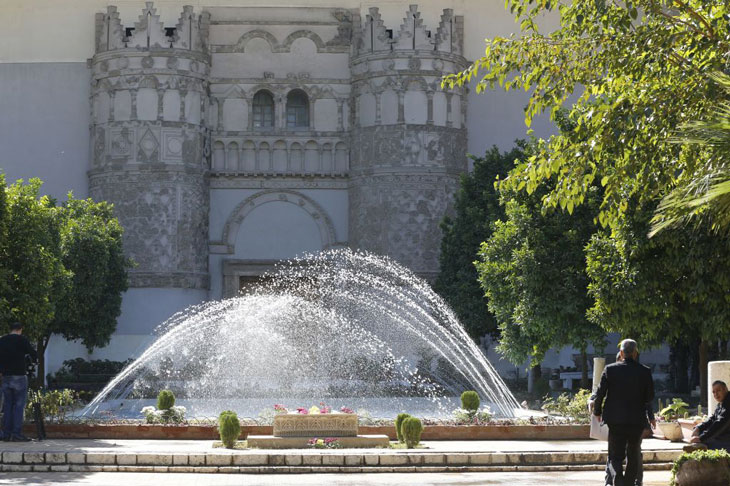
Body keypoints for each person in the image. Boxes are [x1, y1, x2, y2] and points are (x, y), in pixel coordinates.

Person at [592, 339, 654, 486]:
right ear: (635, 353)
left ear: (621, 353)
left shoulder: (610, 369)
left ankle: (618, 481)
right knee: (633, 456)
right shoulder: (645, 371)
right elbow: (649, 398)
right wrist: (650, 416)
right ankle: (628, 483)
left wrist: (597, 412)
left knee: (615, 456)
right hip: (636, 421)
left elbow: (600, 394)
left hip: (615, 421)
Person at [0, 322, 38, 441]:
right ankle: (16, 433)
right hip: (19, 376)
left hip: (6, 376)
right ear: (20, 330)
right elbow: (33, 354)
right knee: (18, 406)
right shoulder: (22, 340)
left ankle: (6, 434)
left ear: (10, 329)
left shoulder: (2, 340)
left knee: (7, 405)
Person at [683, 380, 730, 452]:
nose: (716, 394)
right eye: (713, 392)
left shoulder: (728, 403)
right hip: (724, 438)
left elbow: (720, 424)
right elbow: (712, 419)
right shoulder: (722, 403)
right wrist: (699, 427)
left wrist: (701, 438)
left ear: (725, 389)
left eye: (718, 390)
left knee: (704, 443)